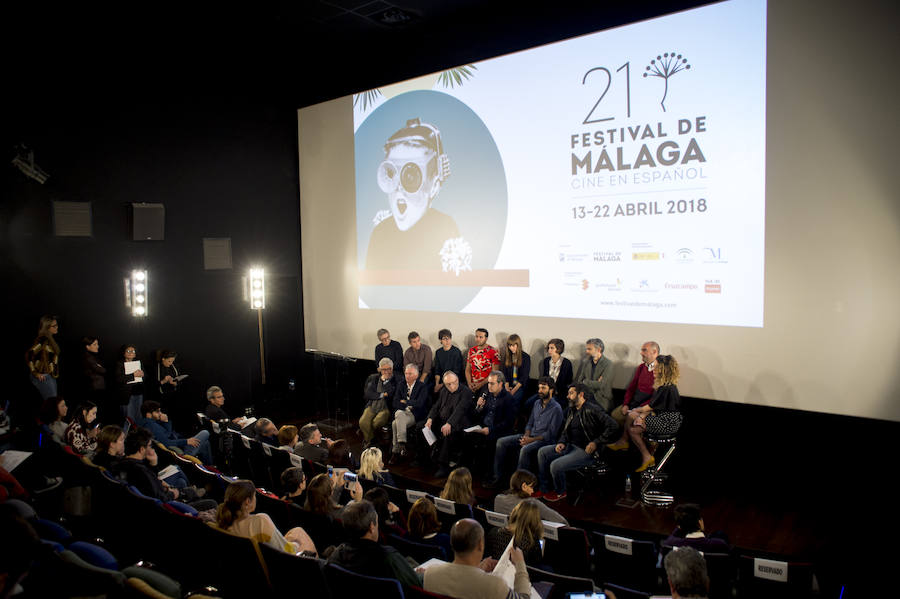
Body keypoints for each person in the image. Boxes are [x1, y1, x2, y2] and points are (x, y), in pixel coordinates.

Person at [364, 118, 460, 275]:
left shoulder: (446, 229)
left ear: (434, 186)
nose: (399, 189)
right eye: (391, 173)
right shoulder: (380, 234)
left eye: (411, 175)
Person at [536, 383, 619, 502]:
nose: (567, 396)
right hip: (570, 446)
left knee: (556, 465)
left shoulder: (592, 409)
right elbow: (566, 430)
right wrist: (562, 441)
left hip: (586, 451)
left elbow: (613, 426)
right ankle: (544, 488)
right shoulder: (572, 409)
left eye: (571, 393)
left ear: (581, 394)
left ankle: (560, 491)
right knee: (542, 452)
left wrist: (596, 442)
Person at [607, 355, 682, 472]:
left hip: (667, 423)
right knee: (633, 430)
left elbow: (651, 406)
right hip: (663, 419)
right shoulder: (665, 385)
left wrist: (638, 412)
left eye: (656, 368)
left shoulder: (666, 387)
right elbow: (654, 408)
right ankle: (645, 455)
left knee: (632, 415)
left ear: (663, 369)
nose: (654, 370)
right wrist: (641, 415)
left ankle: (627, 443)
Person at [423, 518, 531, 599]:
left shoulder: (430, 574)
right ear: (480, 544)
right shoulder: (495, 586)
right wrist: (520, 565)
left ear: (452, 543)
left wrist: (478, 568)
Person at [326, 499, 422, 588]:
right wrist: (420, 575)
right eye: (376, 521)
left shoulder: (338, 554)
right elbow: (415, 586)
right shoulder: (389, 557)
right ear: (372, 526)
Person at [114, 428, 216, 510]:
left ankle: (192, 493)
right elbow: (159, 498)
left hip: (162, 499)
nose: (152, 449)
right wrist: (173, 493)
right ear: (142, 449)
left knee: (182, 483)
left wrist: (154, 465)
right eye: (150, 446)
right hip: (168, 507)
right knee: (212, 503)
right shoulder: (140, 471)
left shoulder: (123, 463)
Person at [490, 378, 563, 487]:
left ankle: (517, 486)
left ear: (551, 390)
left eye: (543, 388)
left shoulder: (556, 408)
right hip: (530, 436)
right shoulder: (537, 403)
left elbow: (550, 434)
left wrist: (530, 440)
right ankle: (497, 478)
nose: (540, 390)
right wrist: (526, 436)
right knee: (501, 442)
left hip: (544, 441)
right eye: (539, 388)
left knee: (524, 449)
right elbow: (529, 423)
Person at [216, 479, 317, 555]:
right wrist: (297, 544)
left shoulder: (222, 521)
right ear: (247, 501)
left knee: (297, 531)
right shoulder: (259, 521)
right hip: (276, 563)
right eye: (255, 495)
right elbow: (287, 550)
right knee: (302, 538)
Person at [424, 371, 474, 478]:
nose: (451, 386)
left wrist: (449, 423)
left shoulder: (466, 392)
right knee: (421, 427)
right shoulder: (444, 390)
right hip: (443, 420)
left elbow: (460, 410)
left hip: (459, 422)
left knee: (448, 433)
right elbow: (436, 406)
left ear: (458, 380)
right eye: (448, 384)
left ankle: (443, 466)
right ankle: (425, 458)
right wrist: (430, 418)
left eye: (453, 383)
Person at [137, 400, 213, 464]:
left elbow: (168, 434)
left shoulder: (149, 422)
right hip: (178, 451)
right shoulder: (151, 425)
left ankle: (209, 468)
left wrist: (166, 422)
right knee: (205, 432)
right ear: (148, 414)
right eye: (157, 411)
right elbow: (166, 443)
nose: (160, 414)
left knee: (205, 444)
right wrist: (186, 441)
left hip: (178, 444)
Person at [468, 372, 516, 471]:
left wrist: (490, 429)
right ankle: (470, 470)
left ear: (501, 384)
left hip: (498, 430)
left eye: (492, 383)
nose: (489, 386)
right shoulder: (487, 395)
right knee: (467, 435)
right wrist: (478, 407)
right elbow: (477, 415)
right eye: (488, 383)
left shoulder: (508, 399)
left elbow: (508, 422)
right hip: (484, 427)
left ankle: (489, 473)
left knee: (489, 442)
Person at [484, 499, 547, 569]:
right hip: (518, 577)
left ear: (515, 513)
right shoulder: (532, 542)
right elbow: (536, 569)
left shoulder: (494, 532)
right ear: (536, 520)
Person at [612, 341, 660, 427]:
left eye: (644, 350)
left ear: (654, 352)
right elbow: (632, 387)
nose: (641, 353)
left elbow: (657, 398)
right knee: (615, 415)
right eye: (642, 350)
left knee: (633, 420)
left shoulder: (661, 370)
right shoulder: (641, 367)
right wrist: (626, 404)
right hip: (634, 402)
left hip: (647, 407)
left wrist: (639, 409)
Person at [494, 470, 567, 525]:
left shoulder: (498, 499)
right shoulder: (532, 503)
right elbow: (561, 521)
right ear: (524, 486)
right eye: (531, 487)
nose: (532, 491)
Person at [390, 363, 430, 462]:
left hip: (414, 414)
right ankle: (401, 445)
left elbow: (420, 403)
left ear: (416, 375)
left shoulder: (422, 387)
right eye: (406, 373)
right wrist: (407, 404)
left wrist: (405, 401)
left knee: (395, 423)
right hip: (403, 412)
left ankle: (396, 451)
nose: (407, 376)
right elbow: (395, 402)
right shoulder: (401, 384)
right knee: (398, 414)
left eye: (410, 374)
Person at [663, 503, 731, 554]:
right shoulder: (719, 544)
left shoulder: (671, 542)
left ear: (679, 526)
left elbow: (671, 537)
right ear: (699, 522)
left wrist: (681, 525)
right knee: (720, 534)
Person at [360, 358, 397, 446]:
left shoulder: (397, 379)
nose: (387, 372)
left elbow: (392, 394)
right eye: (384, 369)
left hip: (386, 408)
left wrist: (385, 382)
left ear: (392, 369)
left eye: (389, 369)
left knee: (376, 423)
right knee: (363, 422)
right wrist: (382, 395)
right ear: (380, 369)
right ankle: (370, 440)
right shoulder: (374, 378)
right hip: (373, 405)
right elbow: (368, 394)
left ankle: (371, 440)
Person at [574, 338, 614, 411]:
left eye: (589, 349)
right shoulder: (586, 362)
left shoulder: (608, 364)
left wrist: (585, 381)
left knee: (589, 413)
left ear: (598, 349)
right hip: (586, 396)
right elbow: (580, 380)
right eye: (587, 349)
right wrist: (593, 383)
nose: (587, 351)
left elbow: (601, 385)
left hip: (600, 398)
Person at [26, 315, 60, 400]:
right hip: (44, 376)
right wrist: (35, 373)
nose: (57, 327)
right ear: (47, 327)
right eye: (54, 326)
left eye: (57, 325)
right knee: (51, 403)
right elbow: (29, 354)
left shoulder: (49, 339)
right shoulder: (43, 340)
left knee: (52, 403)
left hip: (49, 375)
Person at [115, 344, 145, 423]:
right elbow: (119, 379)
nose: (131, 352)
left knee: (138, 415)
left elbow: (145, 377)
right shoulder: (120, 364)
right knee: (128, 417)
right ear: (123, 353)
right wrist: (133, 375)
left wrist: (143, 375)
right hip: (126, 394)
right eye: (128, 351)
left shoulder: (139, 363)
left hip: (138, 392)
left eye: (133, 351)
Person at [466, 328, 500, 394]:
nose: (478, 339)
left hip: (487, 384)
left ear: (486, 338)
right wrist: (469, 383)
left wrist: (480, 384)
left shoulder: (493, 351)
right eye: (476, 336)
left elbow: (495, 373)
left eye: (481, 337)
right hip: (472, 384)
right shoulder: (471, 351)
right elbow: (467, 370)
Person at [500, 334, 531, 407]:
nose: (511, 348)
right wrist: (507, 388)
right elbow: (505, 374)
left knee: (512, 399)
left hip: (519, 386)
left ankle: (512, 417)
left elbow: (524, 377)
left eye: (514, 345)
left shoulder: (526, 357)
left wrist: (512, 391)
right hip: (509, 385)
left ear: (518, 345)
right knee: (500, 398)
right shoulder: (507, 356)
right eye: (510, 345)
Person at [433, 329, 464, 394]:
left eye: (449, 338)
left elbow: (457, 371)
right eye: (444, 339)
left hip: (454, 379)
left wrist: (442, 385)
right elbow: (437, 370)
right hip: (442, 379)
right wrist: (437, 384)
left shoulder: (456, 352)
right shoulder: (438, 352)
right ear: (440, 340)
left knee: (444, 391)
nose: (447, 341)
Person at [80, 336, 106, 403]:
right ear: (87, 346)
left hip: (96, 387)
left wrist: (100, 367)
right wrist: (100, 367)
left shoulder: (92, 356)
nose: (98, 346)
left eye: (97, 344)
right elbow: (102, 370)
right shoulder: (88, 358)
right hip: (94, 388)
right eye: (94, 344)